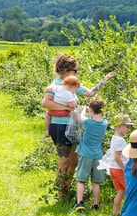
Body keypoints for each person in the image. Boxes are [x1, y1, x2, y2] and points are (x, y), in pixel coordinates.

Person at [41, 53, 115, 201]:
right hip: (60, 127)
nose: (77, 73)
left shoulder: (73, 84)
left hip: (73, 127)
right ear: (67, 69)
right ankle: (62, 194)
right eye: (75, 70)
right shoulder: (54, 86)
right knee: (64, 160)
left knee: (74, 160)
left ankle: (67, 188)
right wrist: (68, 108)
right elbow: (46, 103)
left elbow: (91, 92)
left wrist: (105, 79)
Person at [74, 97, 108, 212]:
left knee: (81, 180)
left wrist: (84, 109)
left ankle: (79, 202)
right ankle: (96, 204)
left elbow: (80, 118)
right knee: (96, 182)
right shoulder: (104, 124)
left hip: (86, 154)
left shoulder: (87, 122)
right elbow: (99, 118)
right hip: (98, 155)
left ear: (91, 110)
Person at [108, 115, 133, 216]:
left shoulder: (114, 138)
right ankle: (128, 213)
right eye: (126, 126)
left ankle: (116, 213)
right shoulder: (120, 140)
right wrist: (125, 169)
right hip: (119, 169)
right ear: (118, 126)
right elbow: (117, 157)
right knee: (131, 190)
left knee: (121, 191)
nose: (128, 129)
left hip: (113, 168)